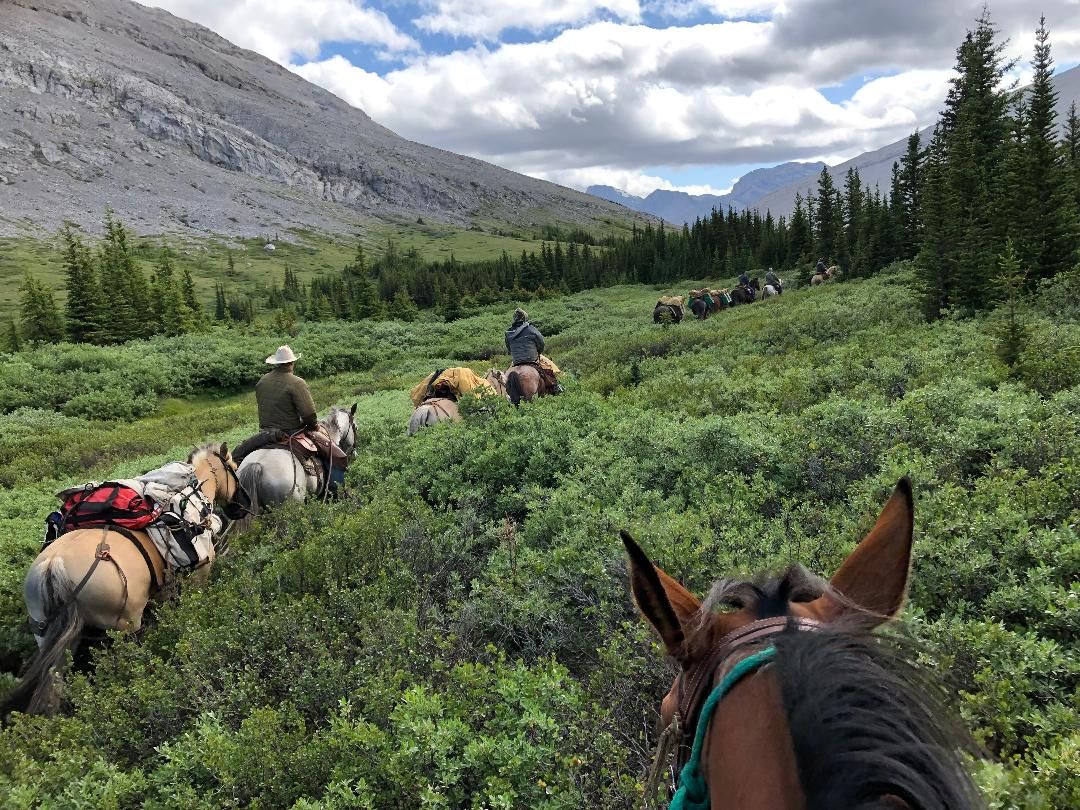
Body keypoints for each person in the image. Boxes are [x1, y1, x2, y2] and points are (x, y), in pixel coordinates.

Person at [232, 345, 318, 464]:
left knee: (237, 455)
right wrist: (313, 425)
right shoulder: (297, 383)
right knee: (322, 452)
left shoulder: (262, 381)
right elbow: (309, 415)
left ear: (276, 363)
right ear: (292, 362)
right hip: (290, 432)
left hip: (264, 433)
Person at [505, 308, 563, 394]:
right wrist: (538, 352)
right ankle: (555, 388)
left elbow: (509, 348)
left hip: (516, 362)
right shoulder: (531, 329)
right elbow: (541, 344)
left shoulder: (508, 332)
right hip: (531, 361)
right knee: (547, 374)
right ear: (524, 318)